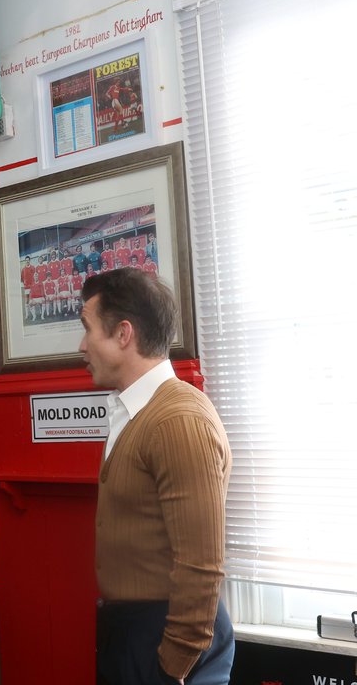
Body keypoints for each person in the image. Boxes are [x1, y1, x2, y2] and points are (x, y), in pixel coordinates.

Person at [78, 268, 233, 685]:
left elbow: (202, 565)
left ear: (123, 334)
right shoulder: (134, 412)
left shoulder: (178, 419)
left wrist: (174, 664)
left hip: (166, 639)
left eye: (88, 329)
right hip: (132, 631)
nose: (82, 346)